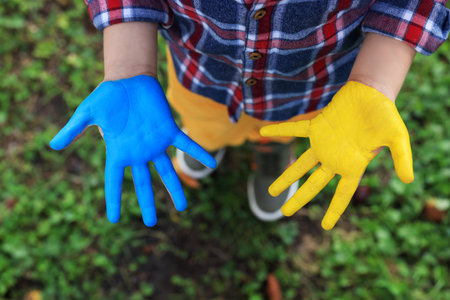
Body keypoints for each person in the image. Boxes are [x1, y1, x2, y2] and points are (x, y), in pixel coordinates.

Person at [50, 0, 450, 229]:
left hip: (309, 92)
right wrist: (128, 68)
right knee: (203, 125)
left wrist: (373, 82)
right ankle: (205, 141)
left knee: (281, 132)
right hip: (204, 79)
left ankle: (273, 158)